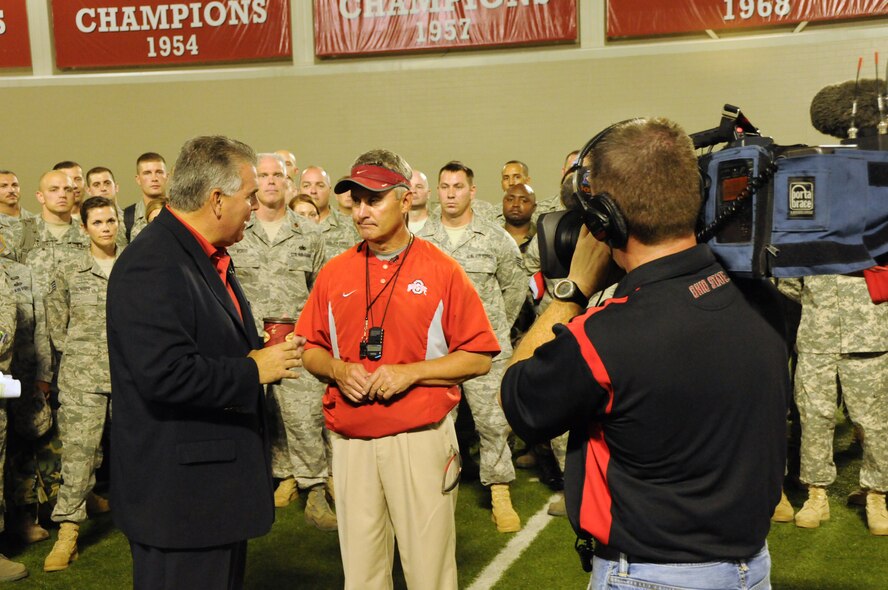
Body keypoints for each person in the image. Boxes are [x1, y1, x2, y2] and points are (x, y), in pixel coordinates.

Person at [500, 118, 788, 589]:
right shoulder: (764, 300)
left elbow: (516, 398)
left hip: (649, 574)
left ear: (605, 220)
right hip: (749, 569)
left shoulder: (602, 337)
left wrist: (570, 292)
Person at [297, 149, 499, 590]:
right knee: (362, 575)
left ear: (405, 200)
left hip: (420, 438)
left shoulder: (443, 270)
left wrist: (411, 372)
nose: (362, 210)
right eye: (356, 200)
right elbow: (309, 347)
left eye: (375, 199)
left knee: (429, 573)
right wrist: (336, 368)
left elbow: (480, 355)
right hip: (351, 441)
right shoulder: (334, 273)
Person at [106, 136, 302, 589]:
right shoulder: (153, 263)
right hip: (181, 501)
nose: (256, 207)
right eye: (249, 196)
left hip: (210, 494)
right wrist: (256, 370)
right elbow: (166, 375)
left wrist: (257, 350)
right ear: (216, 200)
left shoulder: (200, 254)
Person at [416, 160, 526, 533]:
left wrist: (495, 329)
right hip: (437, 352)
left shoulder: (495, 238)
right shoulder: (421, 240)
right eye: (444, 186)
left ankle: (499, 490)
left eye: (458, 187)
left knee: (494, 424)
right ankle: (429, 490)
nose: (450, 193)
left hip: (484, 351)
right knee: (433, 423)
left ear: (472, 192)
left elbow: (514, 288)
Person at [228, 154, 334, 530]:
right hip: (248, 345)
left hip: (296, 345)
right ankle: (276, 477)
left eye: (278, 175)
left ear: (289, 182)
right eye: (264, 176)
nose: (271, 182)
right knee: (254, 417)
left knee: (304, 417)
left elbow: (323, 292)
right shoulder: (236, 230)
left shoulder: (310, 233)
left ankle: (315, 488)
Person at [42, 196, 122, 572]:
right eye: (98, 222)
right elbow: (57, 326)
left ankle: (147, 519)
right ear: (84, 227)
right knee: (79, 454)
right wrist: (82, 354)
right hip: (83, 377)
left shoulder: (133, 265)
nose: (106, 228)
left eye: (111, 220)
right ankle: (68, 532)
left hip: (130, 376)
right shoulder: (70, 269)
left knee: (140, 450)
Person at [777, 274, 888, 534]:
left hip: (869, 334)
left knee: (874, 422)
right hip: (818, 337)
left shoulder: (877, 233)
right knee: (814, 418)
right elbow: (790, 284)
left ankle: (876, 495)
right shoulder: (809, 234)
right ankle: (816, 495)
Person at [300, 166, 359, 262]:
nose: (313, 191)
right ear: (299, 190)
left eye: (320, 186)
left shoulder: (351, 226)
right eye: (306, 186)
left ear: (330, 190)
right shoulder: (288, 225)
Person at [122, 152, 168, 242]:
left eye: (159, 172)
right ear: (138, 179)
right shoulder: (126, 218)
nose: (154, 178)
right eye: (147, 173)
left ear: (167, 176)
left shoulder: (182, 212)